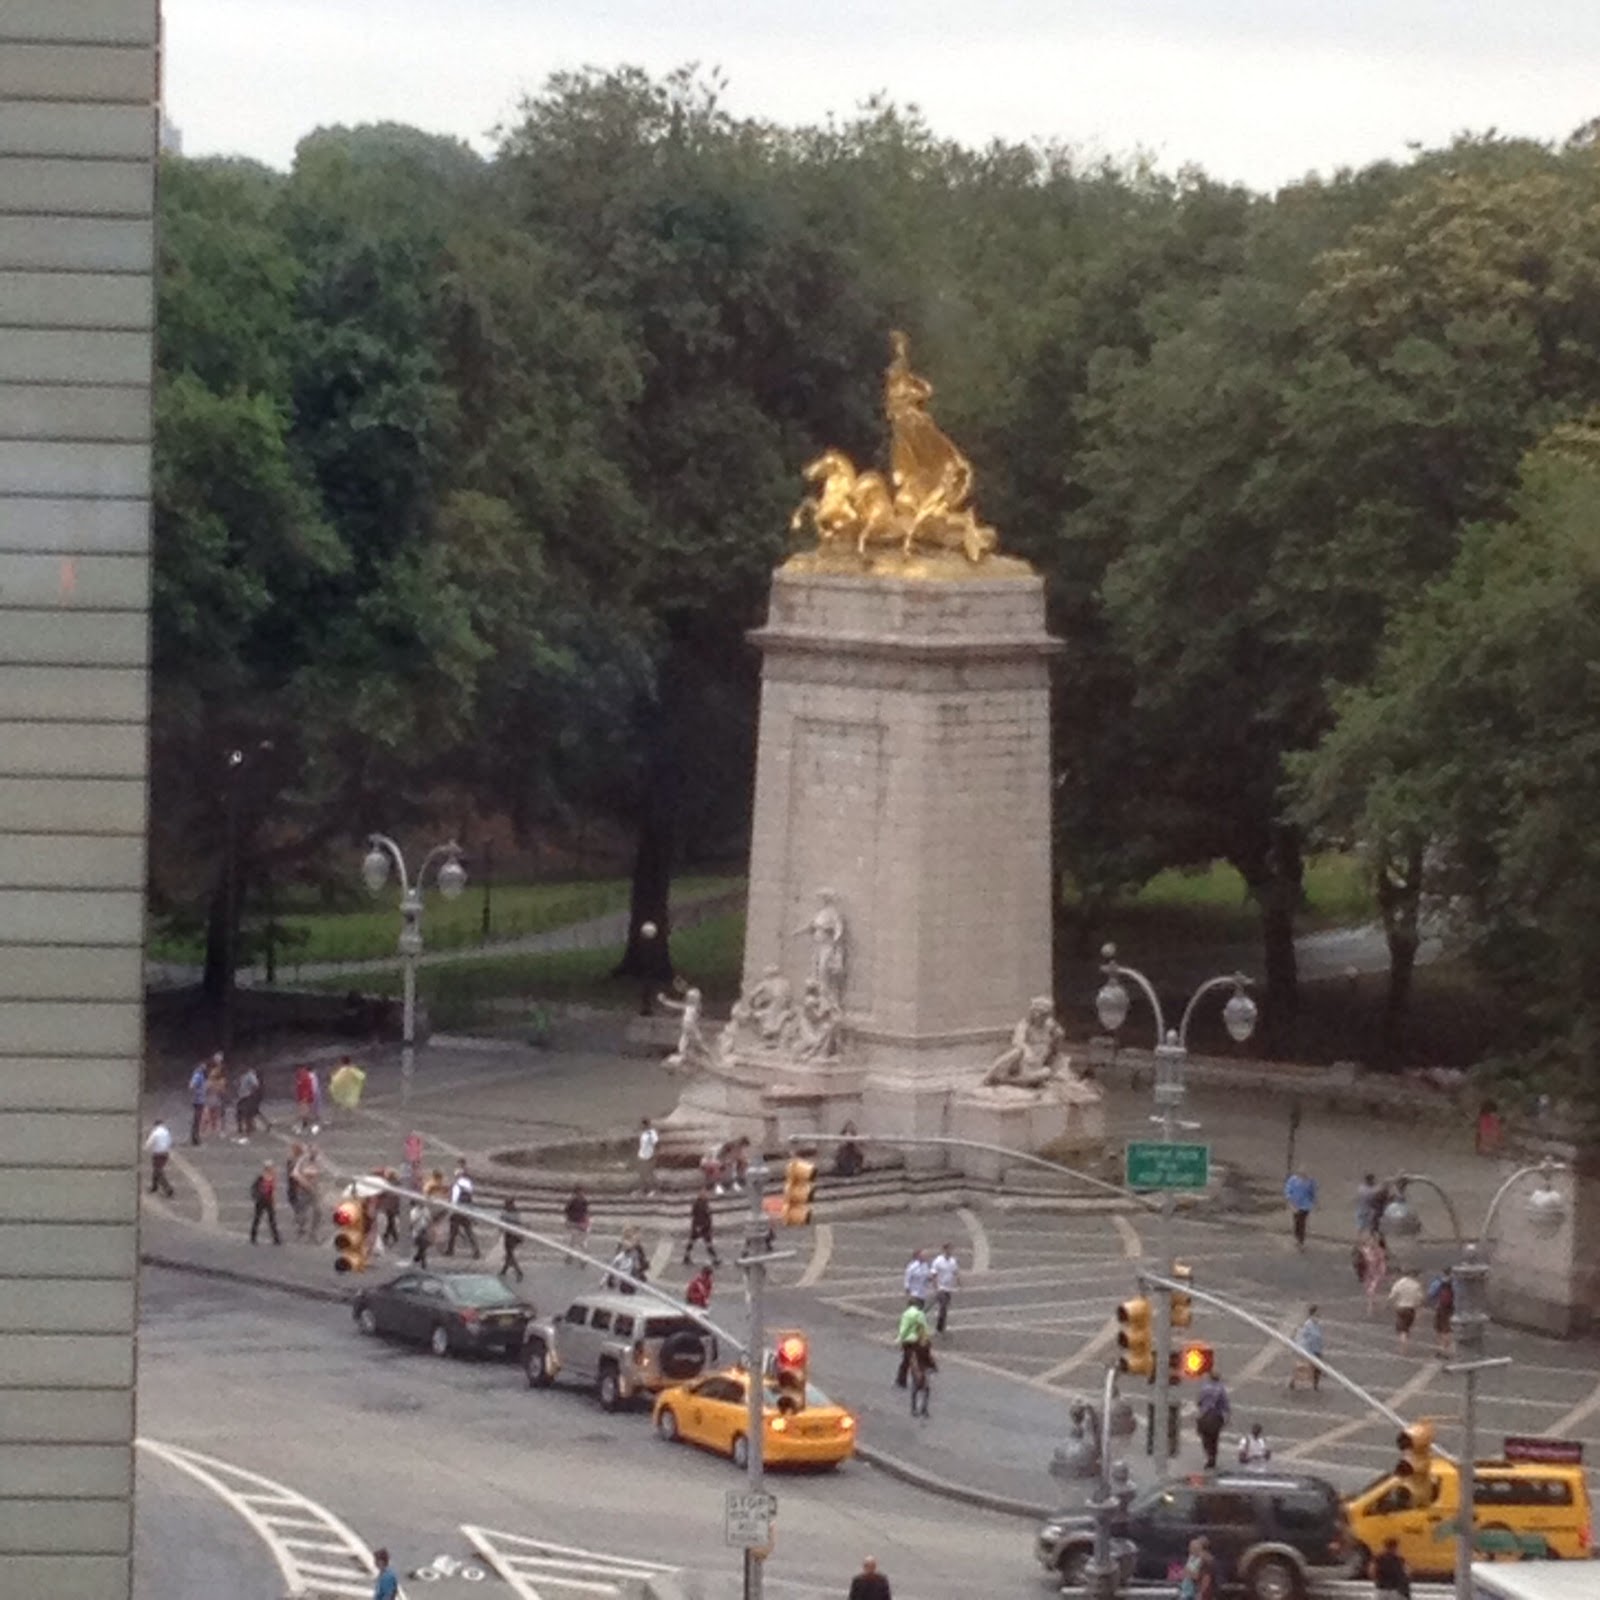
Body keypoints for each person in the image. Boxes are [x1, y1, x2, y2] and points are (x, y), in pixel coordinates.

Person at [1195, 1370, 1231, 1468]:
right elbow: (1225, 1405)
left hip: (1204, 1416)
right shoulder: (1221, 1389)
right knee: (1214, 1439)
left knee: (1205, 1438)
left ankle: (1208, 1455)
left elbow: (1199, 1402)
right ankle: (1212, 1457)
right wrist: (1227, 1417)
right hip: (1216, 1417)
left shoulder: (1204, 1388)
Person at [445, 1160, 481, 1258]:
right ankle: (476, 1251)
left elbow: (454, 1199)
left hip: (457, 1212)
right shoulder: (468, 1184)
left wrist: (451, 1210)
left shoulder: (456, 1186)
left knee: (453, 1232)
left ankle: (450, 1250)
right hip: (466, 1211)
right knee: (469, 1232)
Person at [893, 1297, 930, 1388]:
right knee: (920, 1361)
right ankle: (922, 1381)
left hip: (908, 1341)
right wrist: (925, 1339)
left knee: (906, 1361)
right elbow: (924, 1328)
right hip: (918, 1340)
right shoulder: (921, 1314)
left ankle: (901, 1381)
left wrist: (899, 1339)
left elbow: (904, 1329)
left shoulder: (906, 1314)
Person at [1389, 1268, 1425, 1350]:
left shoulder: (1399, 1283)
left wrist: (1391, 1303)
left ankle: (1403, 1347)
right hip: (1411, 1309)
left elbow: (1392, 1296)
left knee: (1402, 1330)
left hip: (1401, 1308)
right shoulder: (1416, 1285)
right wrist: (1419, 1307)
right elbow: (1420, 1298)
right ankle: (1404, 1344)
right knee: (1406, 1328)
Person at [684, 1186, 720, 1267]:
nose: (705, 1194)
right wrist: (698, 1225)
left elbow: (708, 1214)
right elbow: (695, 1215)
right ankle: (686, 1257)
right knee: (693, 1242)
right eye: (703, 1193)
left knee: (707, 1243)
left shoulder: (705, 1203)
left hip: (705, 1226)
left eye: (705, 1193)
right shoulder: (698, 1203)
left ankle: (715, 1259)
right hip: (699, 1226)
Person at [1291, 1305, 1324, 1391]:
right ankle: (1293, 1381)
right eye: (1317, 1314)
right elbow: (1301, 1337)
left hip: (1316, 1349)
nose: (1318, 1316)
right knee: (1302, 1367)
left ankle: (1315, 1384)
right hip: (1308, 1349)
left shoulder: (1318, 1324)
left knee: (1318, 1368)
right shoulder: (1307, 1325)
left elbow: (1319, 1337)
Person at [1284, 1168, 1318, 1250]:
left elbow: (1312, 1193)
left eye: (1305, 1174)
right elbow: (1288, 1191)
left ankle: (1301, 1240)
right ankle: (1297, 1237)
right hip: (1295, 1205)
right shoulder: (1293, 1180)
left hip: (1305, 1206)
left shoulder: (1310, 1181)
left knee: (1302, 1222)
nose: (1304, 1175)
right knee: (1297, 1222)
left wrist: (1314, 1202)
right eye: (1302, 1174)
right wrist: (1290, 1202)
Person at [249, 1161, 281, 1245]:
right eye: (270, 1168)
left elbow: (273, 1191)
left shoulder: (272, 1178)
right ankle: (253, 1237)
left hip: (268, 1200)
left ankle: (276, 1238)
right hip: (261, 1200)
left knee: (272, 1220)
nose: (271, 1169)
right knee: (257, 1219)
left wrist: (273, 1200)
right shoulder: (261, 1178)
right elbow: (254, 1188)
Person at [907, 1326, 936, 1418]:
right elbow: (913, 1358)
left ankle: (923, 1408)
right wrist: (915, 1370)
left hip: (924, 1367)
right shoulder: (914, 1344)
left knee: (926, 1388)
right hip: (917, 1367)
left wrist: (933, 1365)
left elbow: (928, 1355)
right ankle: (914, 1408)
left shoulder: (927, 1343)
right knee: (916, 1387)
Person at [930, 1242, 959, 1334]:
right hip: (941, 1287)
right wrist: (936, 1286)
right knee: (943, 1306)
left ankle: (942, 1326)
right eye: (948, 1249)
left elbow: (955, 1272)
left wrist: (959, 1283)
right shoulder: (938, 1261)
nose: (950, 1251)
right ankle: (939, 1328)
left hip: (948, 1288)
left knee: (945, 1307)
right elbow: (934, 1274)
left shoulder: (953, 1261)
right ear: (944, 1250)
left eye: (951, 1249)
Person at [1359, 1232, 1389, 1316]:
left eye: (1373, 1241)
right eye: (1369, 1241)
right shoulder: (1364, 1250)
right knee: (1369, 1290)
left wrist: (1382, 1272)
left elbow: (1382, 1263)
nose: (1371, 1243)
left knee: (1372, 1290)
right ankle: (1375, 1304)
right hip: (1367, 1273)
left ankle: (1370, 1307)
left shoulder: (1379, 1251)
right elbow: (1359, 1260)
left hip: (1377, 1273)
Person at [144, 1117, 175, 1197]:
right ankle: (154, 1186)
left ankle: (168, 1188)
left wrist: (146, 1148)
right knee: (156, 1170)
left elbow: (149, 1142)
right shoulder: (166, 1132)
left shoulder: (155, 1133)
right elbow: (170, 1141)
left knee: (158, 1171)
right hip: (165, 1153)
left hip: (157, 1153)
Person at [1428, 1267, 1455, 1356]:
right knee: (1447, 1328)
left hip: (1441, 1307)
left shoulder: (1438, 1282)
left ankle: (1443, 1349)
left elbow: (1431, 1293)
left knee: (1440, 1328)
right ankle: (1446, 1348)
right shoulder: (1455, 1282)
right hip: (1451, 1307)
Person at [1177, 1535, 1214, 1600]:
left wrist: (1200, 1593)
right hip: (1190, 1589)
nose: (1190, 1549)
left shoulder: (1206, 1560)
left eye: (1195, 1547)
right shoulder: (1193, 1558)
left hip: (1199, 1592)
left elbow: (1206, 1578)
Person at [499, 1196, 524, 1282]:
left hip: (512, 1235)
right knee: (509, 1253)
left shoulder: (508, 1212)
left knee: (509, 1253)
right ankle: (504, 1270)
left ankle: (518, 1271)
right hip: (512, 1234)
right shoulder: (516, 1212)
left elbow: (503, 1222)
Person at [234, 1064, 263, 1140]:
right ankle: (241, 1128)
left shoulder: (250, 1075)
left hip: (248, 1096)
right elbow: (238, 1085)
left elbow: (256, 1085)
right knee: (239, 1113)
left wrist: (252, 1093)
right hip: (241, 1097)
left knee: (247, 1114)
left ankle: (248, 1130)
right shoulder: (242, 1076)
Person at [188, 1056, 211, 1145]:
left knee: (198, 1120)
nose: (205, 1068)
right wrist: (197, 1092)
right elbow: (191, 1085)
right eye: (203, 1066)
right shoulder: (198, 1075)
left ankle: (196, 1138)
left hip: (200, 1100)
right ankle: (195, 1139)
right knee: (197, 1120)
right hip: (198, 1100)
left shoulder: (202, 1076)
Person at [564, 1184, 590, 1260]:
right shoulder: (572, 1201)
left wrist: (586, 1222)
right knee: (575, 1240)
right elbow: (566, 1211)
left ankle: (575, 1255)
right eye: (579, 1192)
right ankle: (572, 1255)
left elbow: (586, 1212)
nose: (581, 1194)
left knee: (578, 1240)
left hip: (580, 1223)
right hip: (575, 1223)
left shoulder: (584, 1201)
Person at [1355, 1173, 1384, 1238]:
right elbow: (1375, 1199)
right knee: (1371, 1229)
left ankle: (1359, 1242)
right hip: (1369, 1212)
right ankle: (1372, 1242)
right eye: (1372, 1180)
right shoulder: (1373, 1190)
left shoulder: (1360, 1188)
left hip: (1361, 1210)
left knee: (1360, 1228)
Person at [636, 1117, 659, 1194]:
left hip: (649, 1156)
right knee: (642, 1174)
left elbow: (656, 1144)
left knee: (649, 1174)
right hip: (642, 1155)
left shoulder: (652, 1133)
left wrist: (654, 1154)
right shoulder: (642, 1133)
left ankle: (653, 1190)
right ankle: (643, 1189)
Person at [294, 1063, 317, 1135]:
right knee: (305, 1111)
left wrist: (304, 1097)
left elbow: (305, 1088)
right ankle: (306, 1124)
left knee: (304, 1111)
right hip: (305, 1097)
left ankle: (306, 1124)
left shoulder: (303, 1077)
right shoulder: (304, 1076)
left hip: (304, 1097)